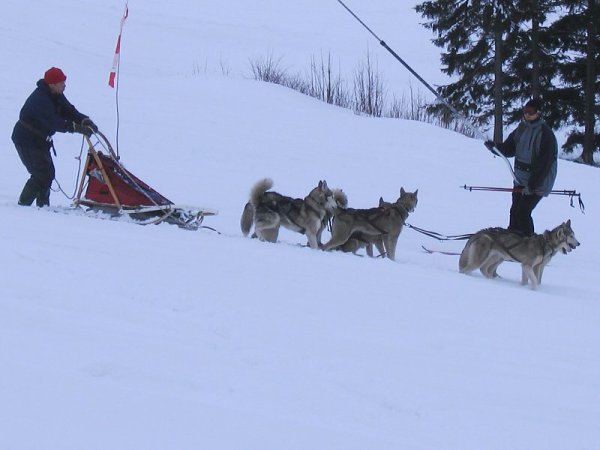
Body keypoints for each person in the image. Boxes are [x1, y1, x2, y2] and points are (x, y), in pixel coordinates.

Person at [12, 67, 98, 207]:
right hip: (26, 140)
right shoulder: (40, 99)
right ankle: (23, 206)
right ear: (52, 84)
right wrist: (76, 128)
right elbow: (55, 122)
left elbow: (69, 111)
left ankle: (43, 206)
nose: (64, 85)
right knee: (42, 174)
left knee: (47, 174)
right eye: (61, 82)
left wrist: (84, 120)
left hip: (40, 140)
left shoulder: (55, 94)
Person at [484, 98, 558, 236]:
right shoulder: (521, 128)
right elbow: (508, 149)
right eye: (525, 111)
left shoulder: (545, 134)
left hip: (538, 182)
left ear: (539, 113)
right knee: (514, 212)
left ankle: (530, 246)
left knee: (522, 213)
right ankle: (512, 242)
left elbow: (544, 164)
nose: (527, 115)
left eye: (531, 112)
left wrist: (532, 186)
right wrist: (495, 148)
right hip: (519, 179)